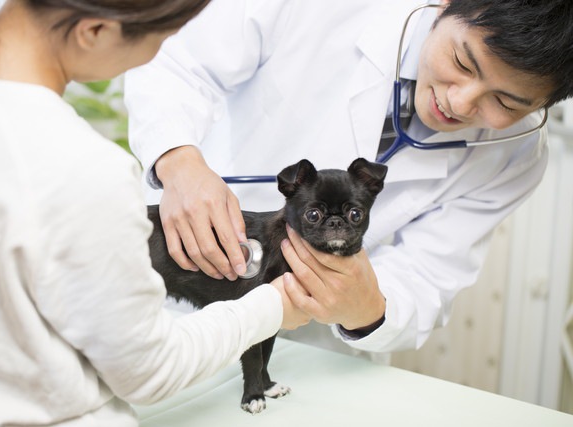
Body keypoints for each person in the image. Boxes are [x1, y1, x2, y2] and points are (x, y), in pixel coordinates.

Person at [0, 0, 310, 425]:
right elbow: (148, 372)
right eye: (163, 39)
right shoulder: (84, 171)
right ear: (94, 32)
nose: (158, 57)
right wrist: (271, 305)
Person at [124, 0, 573, 355]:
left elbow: (428, 275)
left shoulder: (514, 159)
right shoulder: (326, 7)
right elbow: (179, 64)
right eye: (462, 61)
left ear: (542, 105)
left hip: (311, 347)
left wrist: (367, 308)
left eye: (507, 103)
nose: (460, 102)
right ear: (444, 4)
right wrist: (179, 161)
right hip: (176, 287)